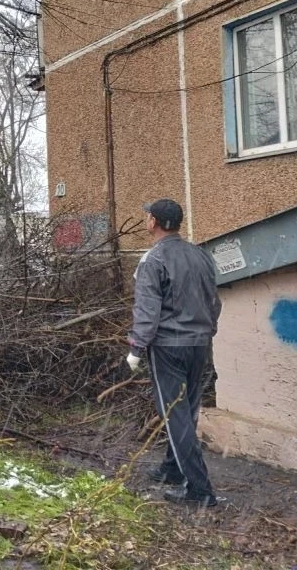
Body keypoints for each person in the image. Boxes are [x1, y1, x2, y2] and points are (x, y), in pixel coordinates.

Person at [126, 198, 222, 507]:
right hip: (200, 344)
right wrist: (207, 332)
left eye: (148, 217)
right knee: (187, 409)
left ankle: (199, 490)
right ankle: (172, 467)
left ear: (153, 222)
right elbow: (214, 302)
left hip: (169, 346)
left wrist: (136, 349)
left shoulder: (152, 261)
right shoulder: (201, 256)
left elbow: (147, 311)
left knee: (175, 415)